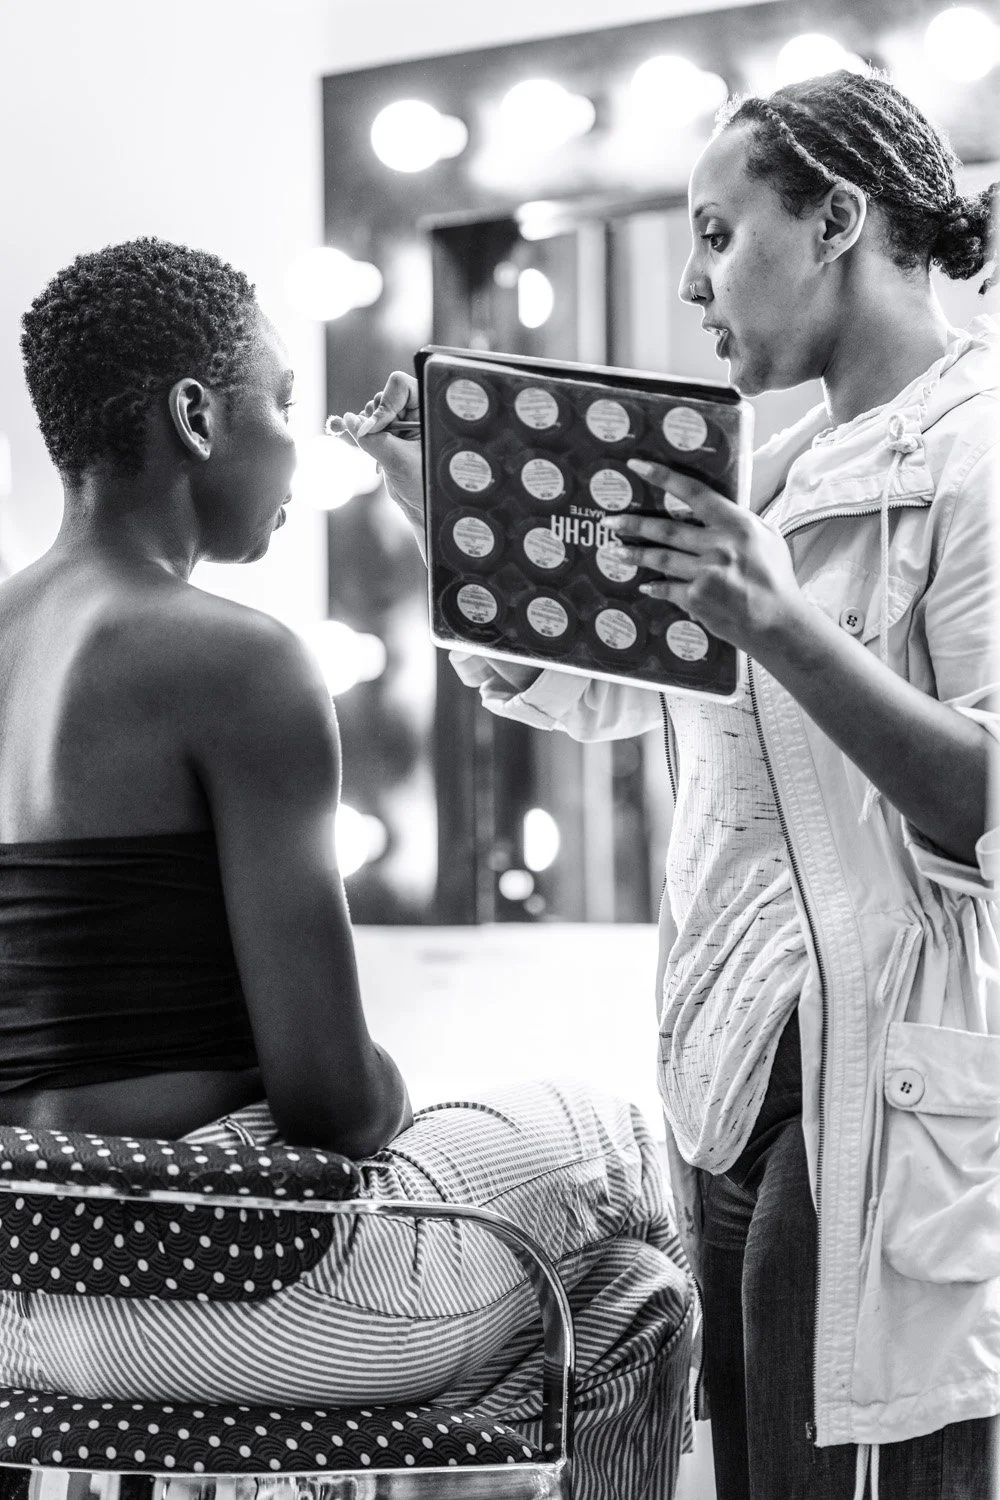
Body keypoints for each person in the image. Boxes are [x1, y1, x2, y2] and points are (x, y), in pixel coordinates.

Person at [332, 70, 1000, 1500]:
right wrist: (437, 514)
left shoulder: (980, 450)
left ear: (836, 218)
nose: (693, 280)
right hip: (730, 1068)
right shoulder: (763, 473)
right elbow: (598, 689)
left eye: (717, 232)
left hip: (878, 1076)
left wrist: (782, 626)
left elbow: (988, 802)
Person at [0, 237, 693, 1500]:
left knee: (626, 1282)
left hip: (30, 1317)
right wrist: (390, 1096)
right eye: (281, 402)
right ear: (196, 416)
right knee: (620, 1148)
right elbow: (335, 1104)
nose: (297, 447)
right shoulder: (237, 661)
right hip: (235, 1299)